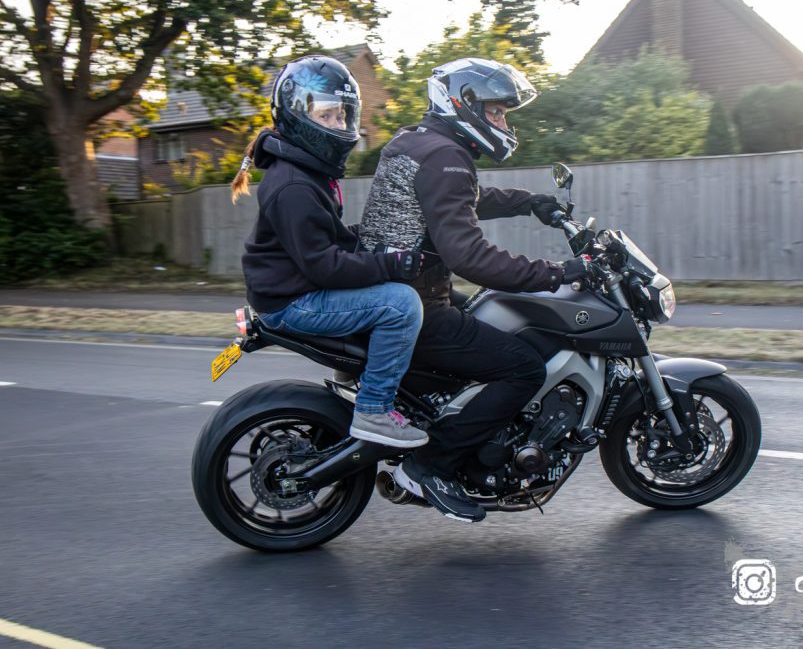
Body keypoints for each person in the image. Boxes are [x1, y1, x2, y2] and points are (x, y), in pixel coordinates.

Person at [358, 57, 595, 520]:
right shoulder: (447, 156)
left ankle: (455, 427)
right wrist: (558, 273)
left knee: (492, 316)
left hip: (391, 292)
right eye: (497, 112)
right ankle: (430, 465)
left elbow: (457, 201)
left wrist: (529, 203)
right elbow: (471, 257)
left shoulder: (417, 141)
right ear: (463, 103)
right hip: (416, 307)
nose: (504, 122)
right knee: (523, 368)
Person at [237, 55, 428, 448]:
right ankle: (373, 409)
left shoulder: (304, 173)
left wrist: (379, 237)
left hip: (292, 286)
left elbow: (328, 239)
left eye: (342, 116)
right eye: (326, 116)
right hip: (294, 300)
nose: (339, 126)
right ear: (297, 115)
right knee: (401, 304)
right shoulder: (294, 186)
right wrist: (389, 265)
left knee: (391, 293)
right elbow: (325, 267)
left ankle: (352, 380)